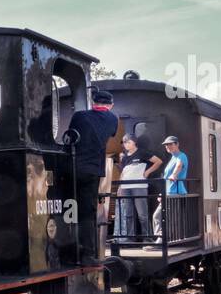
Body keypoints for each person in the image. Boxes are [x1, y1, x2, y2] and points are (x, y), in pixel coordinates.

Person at [67, 89, 118, 264]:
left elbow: (71, 135)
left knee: (67, 209)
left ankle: (65, 248)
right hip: (92, 171)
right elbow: (110, 133)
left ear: (93, 102)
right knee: (87, 212)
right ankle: (87, 254)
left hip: (71, 168)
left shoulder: (79, 116)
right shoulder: (113, 119)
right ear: (110, 105)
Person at [114, 133, 162, 240]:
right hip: (126, 188)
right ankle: (130, 238)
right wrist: (120, 187)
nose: (126, 144)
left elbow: (158, 161)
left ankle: (147, 237)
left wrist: (147, 172)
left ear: (134, 142)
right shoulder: (125, 158)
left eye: (128, 142)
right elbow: (123, 173)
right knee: (128, 215)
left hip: (139, 186)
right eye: (124, 142)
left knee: (142, 214)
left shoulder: (142, 153)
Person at [151, 135, 189, 240]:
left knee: (169, 218)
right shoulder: (172, 157)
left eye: (170, 144)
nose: (168, 146)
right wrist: (161, 193)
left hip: (176, 192)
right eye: (166, 145)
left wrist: (174, 175)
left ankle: (162, 241)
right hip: (168, 192)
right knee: (157, 216)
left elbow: (179, 166)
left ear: (177, 144)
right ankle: (161, 238)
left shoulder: (181, 156)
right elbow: (166, 178)